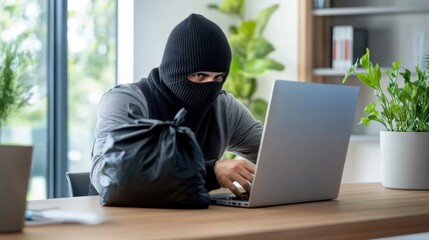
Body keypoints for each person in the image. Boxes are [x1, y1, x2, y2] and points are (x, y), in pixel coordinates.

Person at [90, 13, 263, 198]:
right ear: (175, 71)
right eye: (199, 75)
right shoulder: (126, 102)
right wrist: (208, 172)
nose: (210, 85)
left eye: (219, 77)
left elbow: (275, 155)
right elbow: (106, 175)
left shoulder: (224, 107)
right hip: (122, 221)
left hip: (196, 220)